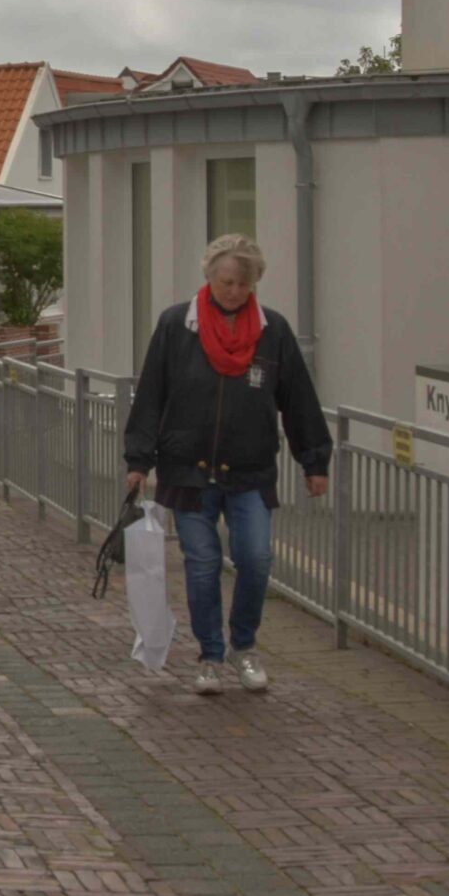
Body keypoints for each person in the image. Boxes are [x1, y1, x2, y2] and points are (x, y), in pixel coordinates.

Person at [122, 234, 330, 695]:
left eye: (242, 283)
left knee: (255, 558)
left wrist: (314, 460)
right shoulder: (177, 326)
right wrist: (139, 459)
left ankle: (244, 646)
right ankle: (211, 656)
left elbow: (298, 399)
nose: (233, 291)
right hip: (188, 471)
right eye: (225, 282)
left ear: (254, 284)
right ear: (209, 278)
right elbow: (151, 395)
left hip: (250, 470)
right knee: (202, 564)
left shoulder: (273, 332)